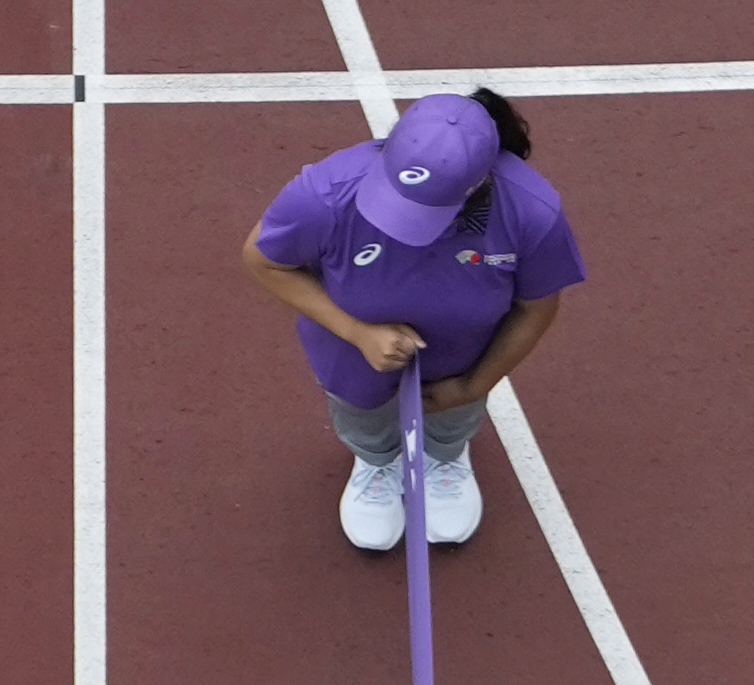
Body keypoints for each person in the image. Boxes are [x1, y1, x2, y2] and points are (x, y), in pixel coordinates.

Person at [243, 87, 584, 554]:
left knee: (454, 417)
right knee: (361, 415)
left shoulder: (531, 212)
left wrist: (474, 384)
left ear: (480, 185)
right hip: (351, 356)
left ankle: (445, 457)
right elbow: (264, 261)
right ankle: (376, 463)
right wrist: (358, 333)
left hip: (466, 358)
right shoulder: (324, 195)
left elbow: (537, 307)